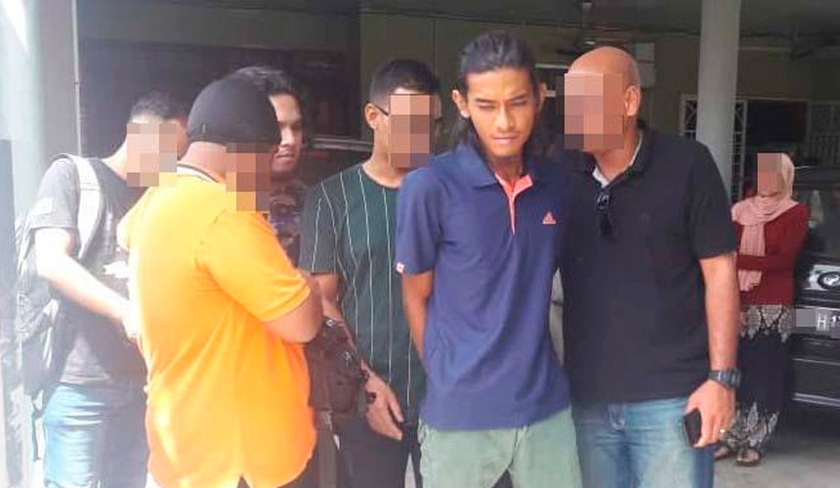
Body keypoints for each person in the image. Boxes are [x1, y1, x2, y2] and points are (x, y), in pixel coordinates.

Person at [395, 31, 582, 488]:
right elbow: (415, 295)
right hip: (460, 417)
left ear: (539, 98)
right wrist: (445, 373)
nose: (504, 122)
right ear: (461, 104)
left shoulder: (557, 185)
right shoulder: (429, 186)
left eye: (517, 103)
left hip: (544, 408)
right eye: (486, 105)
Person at [120, 77, 322, 488]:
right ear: (249, 151)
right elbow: (302, 322)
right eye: (267, 157)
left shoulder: (154, 200)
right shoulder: (225, 212)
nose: (264, 176)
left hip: (184, 448)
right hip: (242, 460)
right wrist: (309, 286)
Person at [558, 46, 741, 488]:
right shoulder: (561, 174)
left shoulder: (687, 165)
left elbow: (720, 273)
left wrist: (721, 379)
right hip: (588, 402)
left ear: (629, 101)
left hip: (672, 400)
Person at [31, 91, 187, 488]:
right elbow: (50, 261)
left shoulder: (160, 199)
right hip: (79, 381)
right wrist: (125, 311)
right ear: (136, 134)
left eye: (178, 155)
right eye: (168, 151)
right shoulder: (71, 175)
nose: (172, 163)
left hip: (142, 384)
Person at [300, 58, 441, 488]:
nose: (421, 136)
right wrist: (365, 383)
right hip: (368, 397)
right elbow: (322, 301)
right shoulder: (332, 199)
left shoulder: (451, 192)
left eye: (431, 124)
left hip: (448, 395)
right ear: (373, 116)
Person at [718, 153, 808, 467]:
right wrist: (737, 298)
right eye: (762, 173)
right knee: (736, 370)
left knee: (765, 374)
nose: (766, 180)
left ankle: (756, 441)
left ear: (785, 178)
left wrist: (737, 259)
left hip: (773, 305)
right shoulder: (740, 210)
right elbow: (725, 253)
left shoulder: (795, 212)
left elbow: (783, 261)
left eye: (773, 174)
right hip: (737, 300)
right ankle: (731, 436)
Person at [231, 66, 309, 263]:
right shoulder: (212, 202)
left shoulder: (317, 206)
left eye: (296, 128)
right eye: (276, 128)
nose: (290, 140)